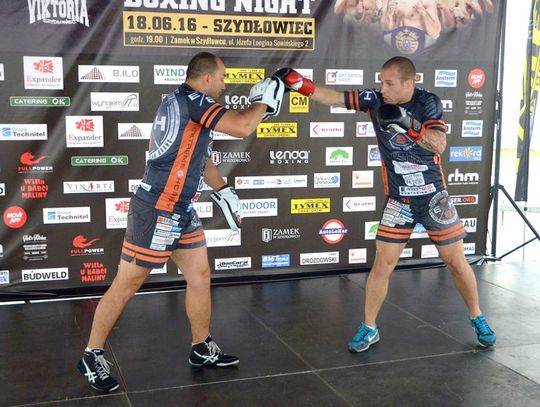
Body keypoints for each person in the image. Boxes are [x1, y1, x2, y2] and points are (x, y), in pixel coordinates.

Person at [77, 52, 284, 392]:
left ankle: (201, 347)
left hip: (181, 209)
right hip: (157, 209)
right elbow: (244, 126)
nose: (224, 85)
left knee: (199, 276)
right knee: (127, 284)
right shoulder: (194, 101)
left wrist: (224, 191)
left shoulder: (181, 101)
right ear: (206, 79)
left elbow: (201, 159)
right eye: (222, 78)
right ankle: (91, 354)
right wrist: (265, 101)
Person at [273, 56, 496, 353]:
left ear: (408, 83)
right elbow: (333, 97)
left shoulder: (428, 102)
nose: (383, 89)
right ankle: (369, 328)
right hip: (399, 199)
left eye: (389, 84)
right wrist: (300, 84)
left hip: (433, 197)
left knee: (456, 262)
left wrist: (407, 124)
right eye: (382, 82)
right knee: (382, 264)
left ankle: (477, 317)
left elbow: (438, 144)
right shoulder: (375, 100)